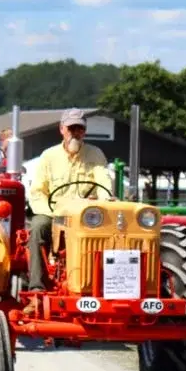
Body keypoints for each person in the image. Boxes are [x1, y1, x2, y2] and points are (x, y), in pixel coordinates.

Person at [26, 108, 114, 295]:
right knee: (38, 226)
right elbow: (37, 192)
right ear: (62, 129)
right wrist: (53, 214)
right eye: (71, 128)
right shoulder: (49, 156)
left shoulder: (95, 154)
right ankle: (37, 285)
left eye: (79, 128)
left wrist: (105, 199)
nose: (75, 132)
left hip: (86, 216)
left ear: (84, 131)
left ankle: (107, 284)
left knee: (115, 229)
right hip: (55, 214)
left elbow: (104, 183)